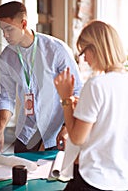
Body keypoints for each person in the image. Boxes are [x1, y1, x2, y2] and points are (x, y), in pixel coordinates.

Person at [0, 1, 83, 153]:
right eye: (2, 30)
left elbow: (76, 92)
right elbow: (6, 97)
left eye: (9, 29)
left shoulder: (56, 50)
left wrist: (67, 128)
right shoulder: (6, 57)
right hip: (27, 135)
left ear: (23, 24)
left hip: (57, 135)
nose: (5, 35)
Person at [54, 20, 128, 190]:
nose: (84, 59)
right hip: (122, 180)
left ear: (95, 48)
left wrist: (66, 99)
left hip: (93, 179)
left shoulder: (96, 85)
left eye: (83, 51)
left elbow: (77, 138)